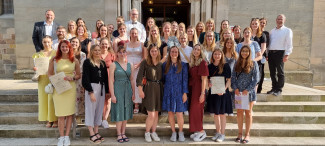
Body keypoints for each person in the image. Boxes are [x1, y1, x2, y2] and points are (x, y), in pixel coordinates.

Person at [48, 40, 81, 146]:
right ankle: (61, 137)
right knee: (60, 115)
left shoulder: (74, 60)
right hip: (59, 88)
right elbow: (49, 73)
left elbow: (79, 75)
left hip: (70, 88)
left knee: (69, 114)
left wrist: (72, 77)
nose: (64, 48)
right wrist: (56, 80)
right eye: (62, 47)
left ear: (69, 48)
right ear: (59, 48)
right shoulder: (54, 60)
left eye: (66, 47)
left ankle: (67, 137)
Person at [231, 45, 259, 144]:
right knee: (239, 112)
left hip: (249, 92)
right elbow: (233, 77)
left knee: (248, 113)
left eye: (246, 51)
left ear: (249, 52)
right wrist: (235, 88)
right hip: (239, 92)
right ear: (240, 52)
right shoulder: (237, 63)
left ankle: (247, 134)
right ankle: (239, 133)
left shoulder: (253, 63)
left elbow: (256, 79)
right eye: (243, 51)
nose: (244, 53)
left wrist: (248, 89)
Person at [82, 44, 109, 144]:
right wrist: (90, 92)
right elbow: (85, 78)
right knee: (90, 110)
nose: (97, 52)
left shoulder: (102, 63)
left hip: (101, 88)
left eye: (99, 50)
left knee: (98, 110)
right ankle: (91, 133)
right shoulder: (87, 62)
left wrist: (107, 92)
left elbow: (105, 78)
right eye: (95, 50)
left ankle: (96, 131)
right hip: (92, 88)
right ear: (92, 51)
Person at [136, 44, 163, 142]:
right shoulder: (145, 62)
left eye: (155, 51)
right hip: (149, 88)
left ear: (158, 52)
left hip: (158, 89)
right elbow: (139, 77)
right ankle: (147, 132)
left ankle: (153, 132)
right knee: (151, 114)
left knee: (156, 114)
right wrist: (140, 89)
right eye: (152, 51)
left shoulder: (160, 64)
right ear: (149, 52)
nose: (154, 53)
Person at [109, 45, 135, 143]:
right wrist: (112, 95)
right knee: (119, 111)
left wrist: (133, 93)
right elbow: (111, 80)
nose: (122, 54)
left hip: (127, 89)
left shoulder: (130, 65)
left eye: (124, 52)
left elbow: (132, 79)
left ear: (126, 53)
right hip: (118, 89)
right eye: (120, 52)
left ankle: (123, 132)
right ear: (117, 54)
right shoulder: (113, 65)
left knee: (126, 111)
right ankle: (118, 134)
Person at [162, 46, 188, 142]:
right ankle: (173, 132)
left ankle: (180, 132)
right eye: (172, 52)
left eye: (175, 52)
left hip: (180, 91)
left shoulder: (184, 65)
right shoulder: (165, 65)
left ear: (178, 53)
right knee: (170, 113)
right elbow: (163, 79)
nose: (174, 53)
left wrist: (185, 93)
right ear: (169, 53)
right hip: (169, 91)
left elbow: (185, 80)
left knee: (179, 113)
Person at [32, 35, 58, 128]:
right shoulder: (37, 55)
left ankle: (55, 120)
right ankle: (48, 120)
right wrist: (35, 69)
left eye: (48, 42)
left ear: (52, 42)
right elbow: (36, 67)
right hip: (42, 79)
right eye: (44, 42)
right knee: (44, 100)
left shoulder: (56, 53)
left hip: (53, 78)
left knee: (52, 99)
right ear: (42, 43)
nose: (46, 44)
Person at [207, 49, 232, 142]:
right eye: (215, 54)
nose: (217, 56)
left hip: (223, 93)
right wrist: (209, 84)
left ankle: (222, 134)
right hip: (214, 93)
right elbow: (208, 79)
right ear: (213, 55)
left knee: (222, 114)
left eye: (219, 54)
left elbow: (228, 80)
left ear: (222, 56)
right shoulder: (209, 66)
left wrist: (223, 90)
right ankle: (217, 132)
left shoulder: (226, 66)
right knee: (216, 114)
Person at [267, 14, 293, 96]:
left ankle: (279, 89)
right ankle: (274, 87)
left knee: (280, 72)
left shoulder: (287, 30)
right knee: (272, 72)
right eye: (278, 19)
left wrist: (287, 54)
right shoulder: (272, 31)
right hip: (271, 53)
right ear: (276, 20)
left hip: (280, 53)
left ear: (284, 20)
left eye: (281, 19)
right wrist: (267, 54)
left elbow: (289, 44)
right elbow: (269, 43)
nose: (279, 21)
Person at [188, 44, 209, 142]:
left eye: (198, 50)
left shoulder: (203, 63)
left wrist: (202, 93)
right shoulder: (193, 62)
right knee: (193, 110)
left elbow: (204, 79)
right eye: (195, 49)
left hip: (199, 89)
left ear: (201, 52)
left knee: (197, 110)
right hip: (192, 88)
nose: (196, 51)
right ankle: (196, 130)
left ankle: (201, 131)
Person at [125, 28, 146, 114]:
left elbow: (144, 57)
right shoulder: (126, 44)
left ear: (138, 34)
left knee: (137, 84)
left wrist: (139, 65)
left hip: (138, 66)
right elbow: (123, 55)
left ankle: (136, 104)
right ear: (130, 34)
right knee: (129, 84)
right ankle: (129, 103)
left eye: (135, 33)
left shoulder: (141, 44)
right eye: (132, 33)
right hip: (128, 65)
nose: (134, 35)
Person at [100, 38, 116, 128]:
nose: (104, 46)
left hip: (110, 79)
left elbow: (116, 67)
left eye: (106, 44)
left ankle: (105, 119)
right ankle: (100, 118)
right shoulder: (97, 54)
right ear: (100, 44)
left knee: (108, 100)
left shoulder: (112, 55)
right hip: (99, 80)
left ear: (109, 45)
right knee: (101, 100)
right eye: (103, 44)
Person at [70, 37, 87, 116]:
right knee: (71, 99)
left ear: (79, 44)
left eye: (76, 42)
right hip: (69, 79)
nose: (74, 43)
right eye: (73, 42)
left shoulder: (82, 54)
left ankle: (77, 117)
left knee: (79, 99)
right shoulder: (67, 53)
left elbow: (83, 68)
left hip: (79, 78)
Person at [250, 18, 267, 94]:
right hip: (248, 59)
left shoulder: (262, 35)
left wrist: (256, 58)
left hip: (257, 59)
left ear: (258, 25)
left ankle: (255, 93)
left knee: (256, 76)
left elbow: (263, 48)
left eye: (256, 24)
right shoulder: (248, 34)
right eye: (253, 24)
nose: (254, 25)